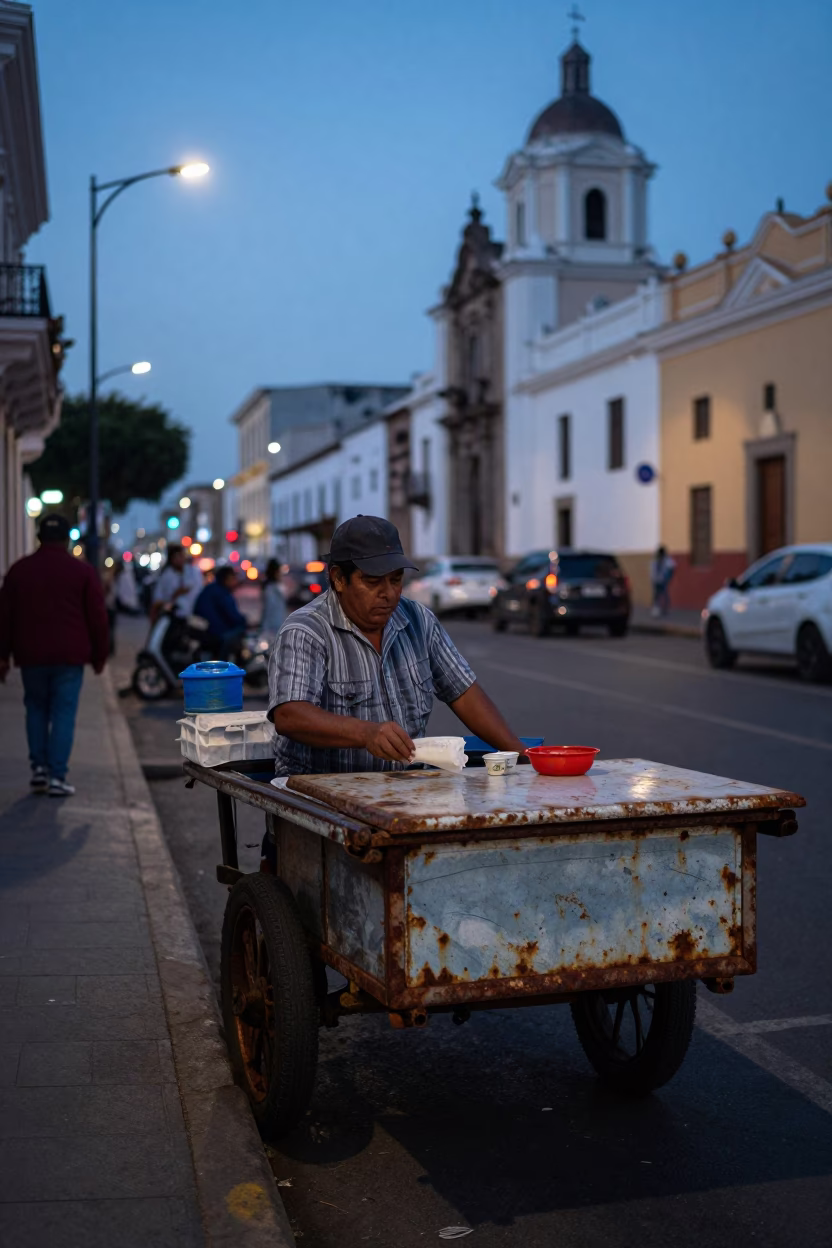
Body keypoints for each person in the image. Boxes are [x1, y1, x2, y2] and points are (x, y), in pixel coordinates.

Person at [268, 514, 525, 776]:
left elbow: (463, 692)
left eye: (396, 579)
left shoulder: (418, 619)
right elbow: (290, 716)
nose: (388, 593)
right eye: (372, 581)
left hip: (402, 787)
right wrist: (366, 733)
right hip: (315, 793)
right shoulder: (306, 631)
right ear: (339, 579)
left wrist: (522, 757)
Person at [0, 513, 109, 797]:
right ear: (65, 538)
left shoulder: (18, 570)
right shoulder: (82, 571)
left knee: (35, 709)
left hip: (30, 654)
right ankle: (57, 776)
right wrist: (100, 654)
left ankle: (38, 769)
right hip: (69, 656)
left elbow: (4, 618)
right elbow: (97, 617)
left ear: (38, 537)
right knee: (63, 712)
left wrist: (3, 655)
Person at [194, 565, 248, 659]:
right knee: (240, 629)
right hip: (215, 633)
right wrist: (244, 621)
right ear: (227, 579)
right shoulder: (222, 593)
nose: (235, 582)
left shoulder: (210, 588)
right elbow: (233, 616)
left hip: (204, 632)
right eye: (233, 578)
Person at [151, 545, 202, 622]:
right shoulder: (166, 575)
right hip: (172, 616)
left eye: (181, 556)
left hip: (192, 615)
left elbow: (197, 591)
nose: (179, 559)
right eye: (176, 557)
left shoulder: (193, 572)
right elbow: (158, 597)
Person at [261, 559, 287, 640]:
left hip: (277, 626)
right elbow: (270, 610)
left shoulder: (275, 587)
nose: (281, 574)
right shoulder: (271, 589)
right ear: (275, 572)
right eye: (279, 571)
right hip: (273, 628)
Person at [650, 545, 677, 618]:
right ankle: (657, 609)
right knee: (657, 595)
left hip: (662, 580)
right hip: (657, 580)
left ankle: (664, 609)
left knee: (663, 594)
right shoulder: (656, 561)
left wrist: (668, 577)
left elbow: (672, 566)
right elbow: (653, 571)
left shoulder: (666, 560)